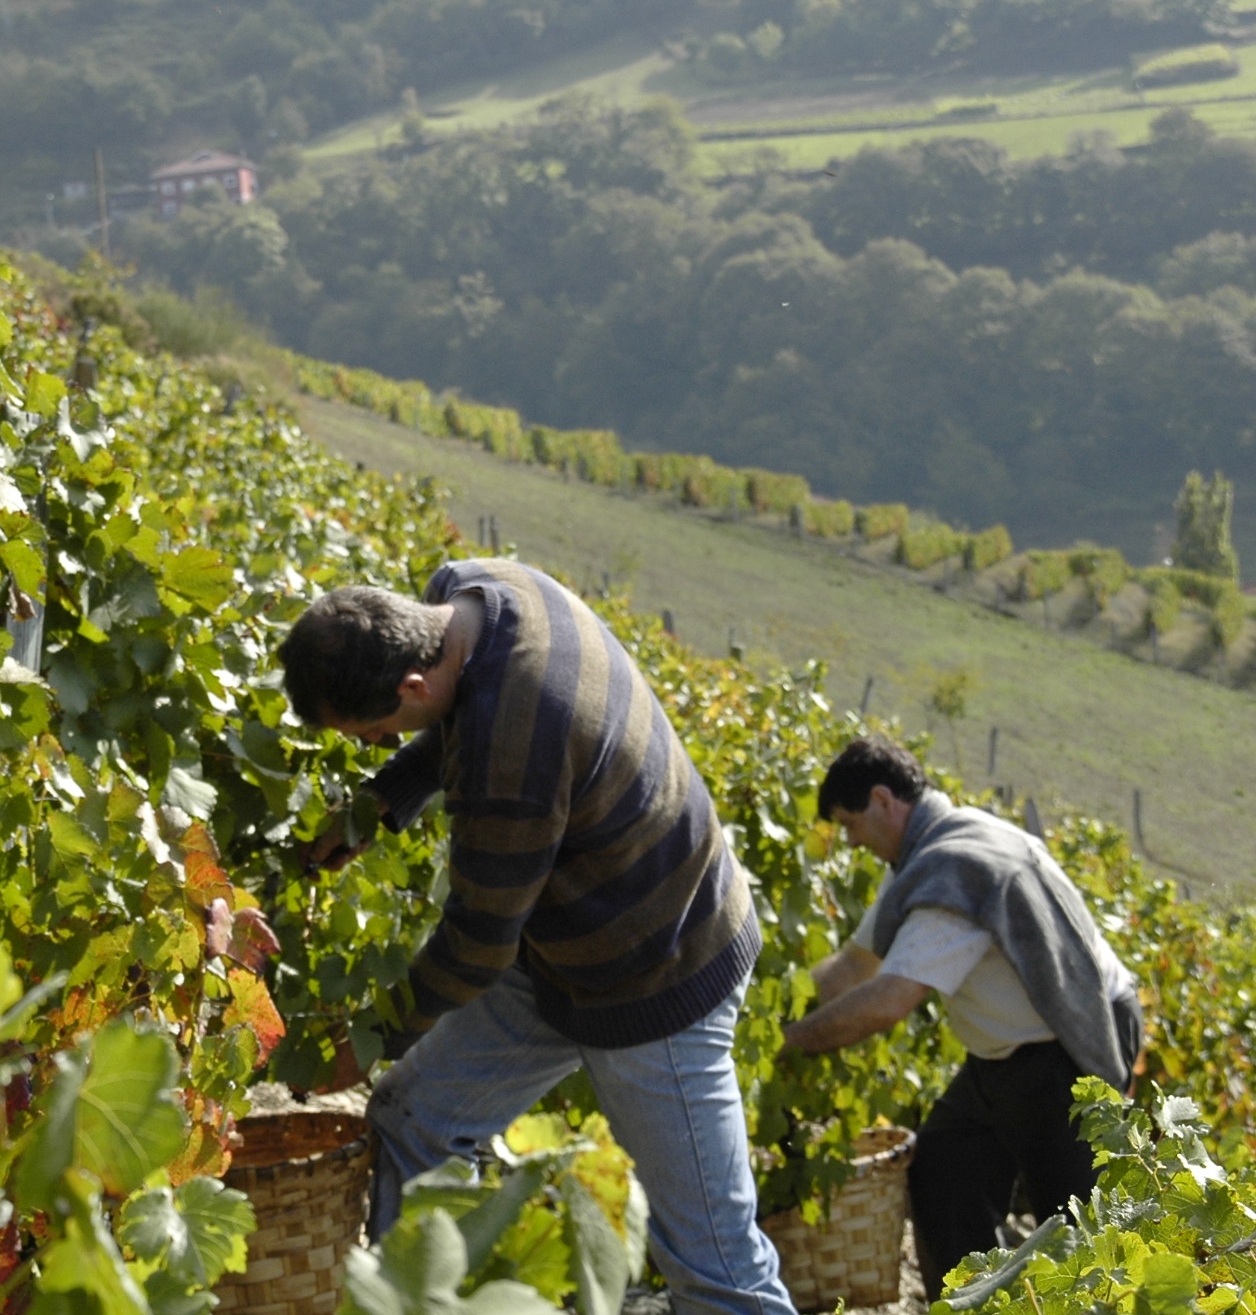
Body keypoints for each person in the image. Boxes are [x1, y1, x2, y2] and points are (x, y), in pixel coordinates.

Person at [277, 561, 793, 1315]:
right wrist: (386, 795)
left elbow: (478, 943)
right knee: (413, 1122)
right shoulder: (473, 590)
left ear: (410, 689)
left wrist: (372, 1038)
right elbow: (459, 713)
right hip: (560, 951)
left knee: (717, 1271)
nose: (376, 742)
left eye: (373, 731)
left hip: (661, 972)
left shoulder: (512, 748)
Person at [781, 737, 1142, 1299]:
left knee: (1081, 1238)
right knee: (944, 1174)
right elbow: (855, 965)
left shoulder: (958, 871)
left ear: (882, 800)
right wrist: (780, 1005)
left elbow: (887, 1000)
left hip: (1068, 1052)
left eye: (850, 824)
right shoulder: (928, 854)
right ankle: (975, 1307)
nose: (850, 841)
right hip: (1004, 1055)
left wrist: (791, 1042)